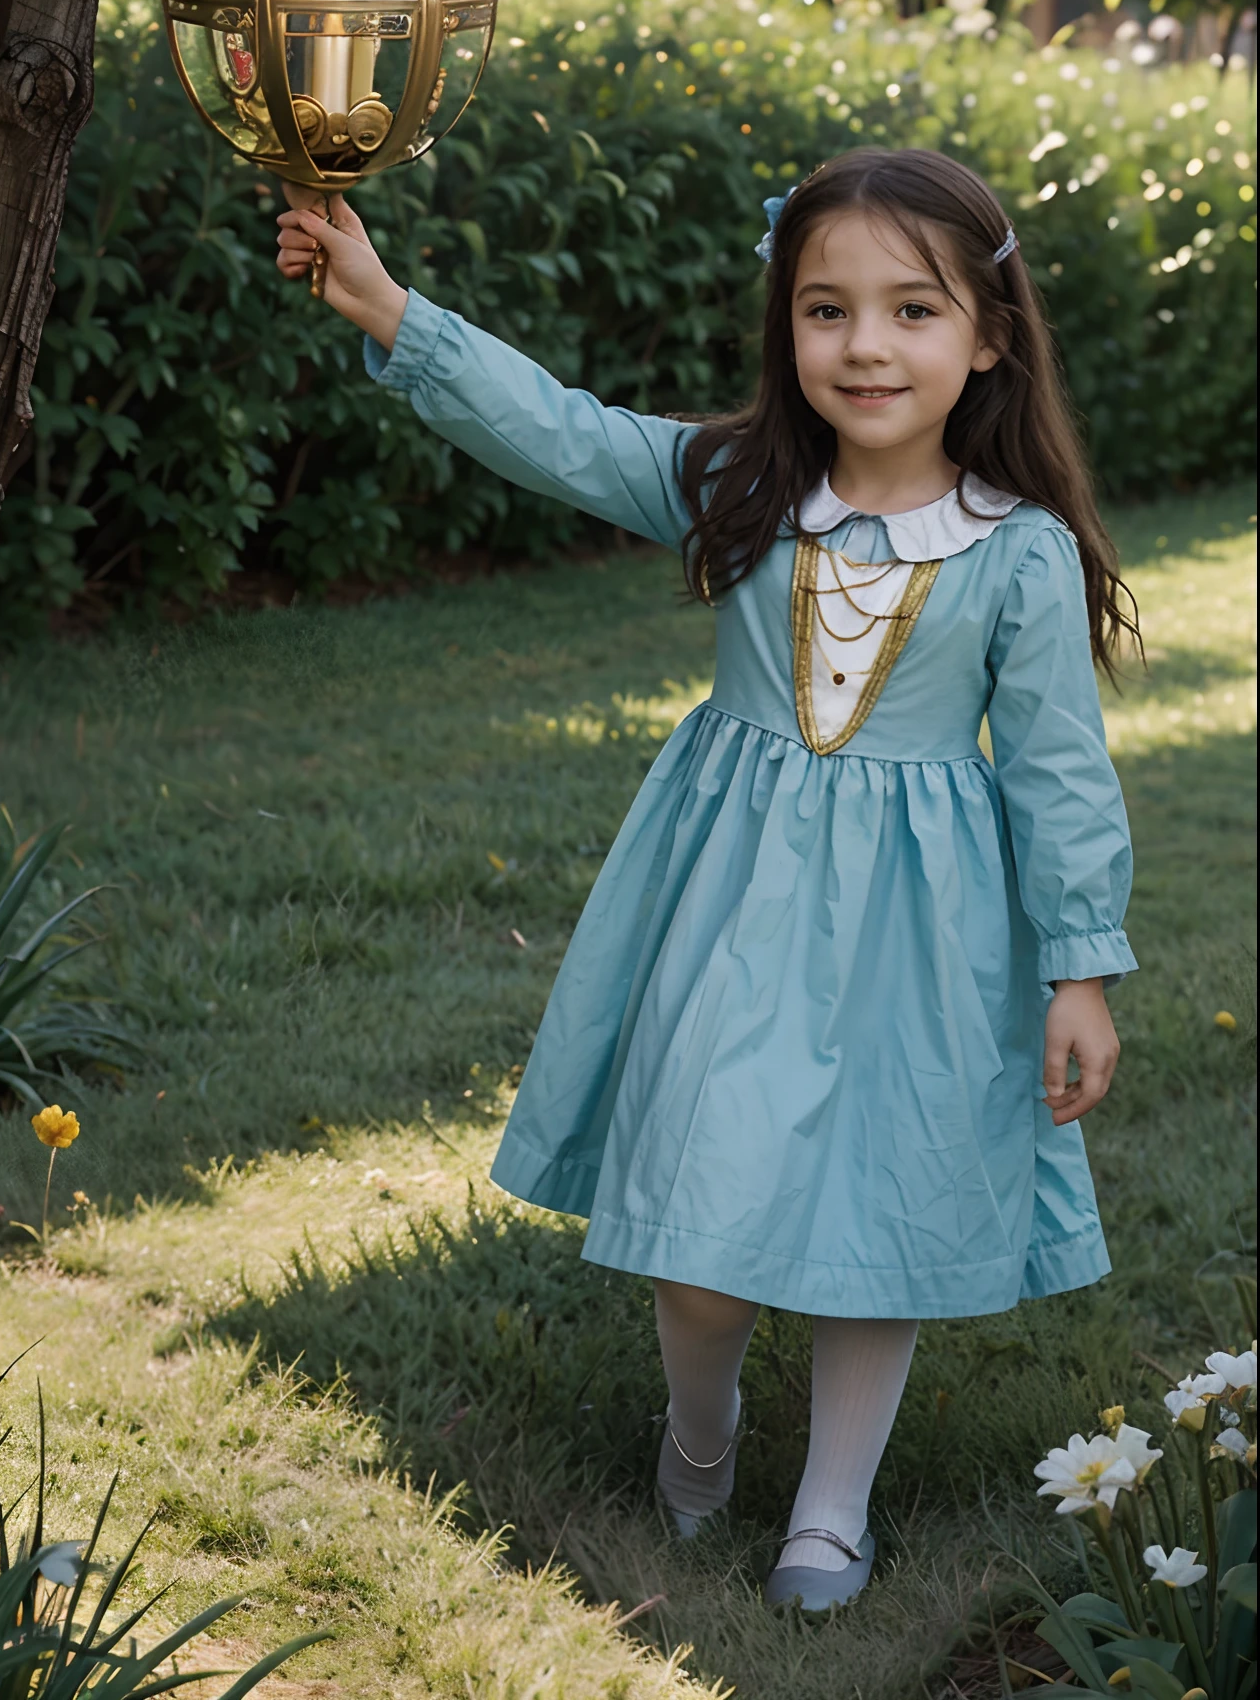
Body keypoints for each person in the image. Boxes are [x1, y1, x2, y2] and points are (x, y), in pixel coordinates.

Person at [274, 147, 1138, 1614]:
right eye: (825, 310)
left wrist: (1080, 972)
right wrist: (387, 307)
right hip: (730, 907)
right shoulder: (735, 484)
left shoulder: (1018, 554)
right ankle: (702, 1431)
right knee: (702, 1222)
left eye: (911, 311)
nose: (865, 346)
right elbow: (554, 430)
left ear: (988, 337)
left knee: (884, 1213)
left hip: (927, 940)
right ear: (783, 326)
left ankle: (830, 1509)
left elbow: (1061, 774)